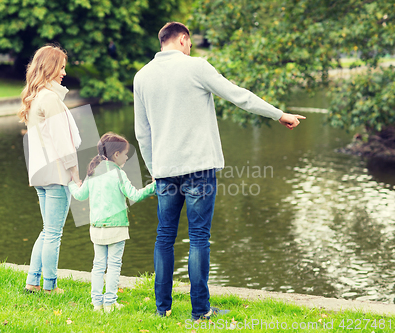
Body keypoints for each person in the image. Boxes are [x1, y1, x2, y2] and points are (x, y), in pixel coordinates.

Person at [133, 22, 306, 320]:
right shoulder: (196, 67)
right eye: (189, 44)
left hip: (164, 170)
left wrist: (154, 169)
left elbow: (142, 132)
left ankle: (163, 309)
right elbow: (239, 96)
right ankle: (200, 311)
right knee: (199, 237)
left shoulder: (141, 77)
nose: (190, 49)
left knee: (164, 237)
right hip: (199, 168)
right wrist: (280, 114)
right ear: (183, 40)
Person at [18, 44, 82, 294]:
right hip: (56, 173)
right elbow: (63, 143)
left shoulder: (35, 98)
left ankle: (32, 282)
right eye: (61, 67)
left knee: (47, 231)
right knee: (54, 233)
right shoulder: (50, 98)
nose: (64, 72)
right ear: (50, 67)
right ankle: (50, 287)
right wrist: (75, 174)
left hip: (39, 173)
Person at [68, 132, 156, 312]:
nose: (126, 157)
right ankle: (110, 303)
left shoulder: (92, 173)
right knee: (114, 265)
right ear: (116, 155)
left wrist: (71, 184)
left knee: (98, 265)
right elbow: (135, 195)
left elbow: (79, 195)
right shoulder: (118, 174)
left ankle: (97, 304)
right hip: (117, 228)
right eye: (125, 154)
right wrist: (154, 185)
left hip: (97, 228)